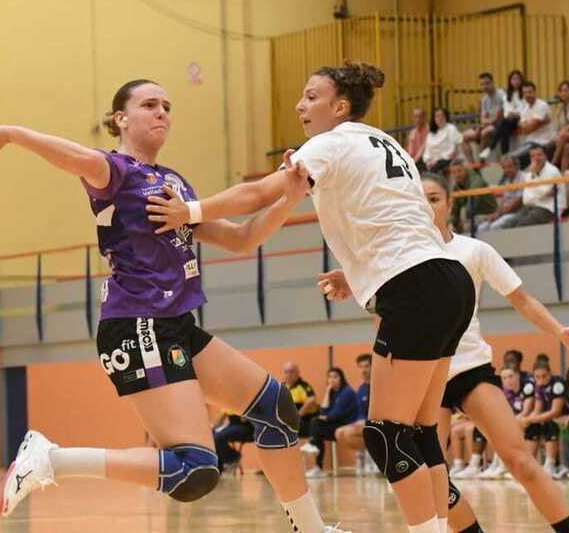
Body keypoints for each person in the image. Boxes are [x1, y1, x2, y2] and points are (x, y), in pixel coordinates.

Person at [0, 79, 348, 533]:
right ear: (121, 119)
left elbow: (241, 238)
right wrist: (8, 134)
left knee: (275, 407)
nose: (162, 112)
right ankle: (52, 459)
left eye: (167, 105)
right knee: (195, 470)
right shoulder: (115, 171)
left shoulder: (174, 183)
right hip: (137, 323)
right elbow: (70, 156)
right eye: (149, 104)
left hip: (175, 324)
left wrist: (290, 197)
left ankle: (311, 529)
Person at [150, 61, 477, 533]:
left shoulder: (330, 142)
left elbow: (259, 193)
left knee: (385, 434)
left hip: (414, 286)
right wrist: (357, 273)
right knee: (420, 431)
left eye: (311, 96)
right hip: (447, 279)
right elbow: (400, 224)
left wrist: (190, 210)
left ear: (339, 107)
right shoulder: (387, 144)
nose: (300, 105)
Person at [412, 172, 569, 533]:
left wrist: (558, 329)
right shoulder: (400, 255)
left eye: (434, 198)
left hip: (469, 369)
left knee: (520, 461)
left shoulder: (474, 250)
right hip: (424, 376)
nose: (427, 206)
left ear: (450, 203)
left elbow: (521, 298)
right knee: (430, 477)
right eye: (420, 199)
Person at [305, 368, 359, 479]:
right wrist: (327, 392)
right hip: (336, 425)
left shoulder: (347, 392)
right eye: (329, 377)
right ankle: (317, 464)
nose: (332, 379)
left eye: (335, 377)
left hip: (348, 425)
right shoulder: (332, 393)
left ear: (341, 378)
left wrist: (325, 417)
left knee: (316, 425)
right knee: (316, 428)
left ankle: (313, 449)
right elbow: (323, 412)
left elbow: (334, 414)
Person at [519, 360, 568, 478]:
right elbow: (538, 409)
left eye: (544, 376)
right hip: (550, 417)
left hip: (565, 417)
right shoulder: (538, 387)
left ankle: (550, 464)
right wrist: (526, 420)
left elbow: (555, 411)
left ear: (550, 374)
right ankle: (530, 463)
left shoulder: (557, 384)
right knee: (532, 425)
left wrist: (530, 419)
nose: (541, 379)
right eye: (537, 377)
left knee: (550, 423)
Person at [498, 144, 566, 227]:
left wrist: (535, 187)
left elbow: (543, 192)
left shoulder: (552, 171)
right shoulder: (530, 174)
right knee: (507, 225)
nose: (536, 158)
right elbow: (526, 198)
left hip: (549, 208)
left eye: (539, 155)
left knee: (521, 225)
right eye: (533, 156)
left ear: (545, 156)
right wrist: (539, 192)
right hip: (532, 206)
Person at [334, 354, 373, 474]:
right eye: (361, 367)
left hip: (378, 421)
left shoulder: (378, 386)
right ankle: (364, 454)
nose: (364, 370)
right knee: (339, 432)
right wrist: (359, 421)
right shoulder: (361, 389)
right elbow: (360, 412)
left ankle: (373, 456)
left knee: (350, 431)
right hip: (364, 422)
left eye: (367, 366)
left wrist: (364, 421)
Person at [476, 156, 526, 232]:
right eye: (504, 168)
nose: (507, 170)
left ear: (517, 166)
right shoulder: (507, 180)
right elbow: (504, 201)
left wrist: (499, 214)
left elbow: (518, 202)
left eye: (509, 167)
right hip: (505, 212)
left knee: (495, 226)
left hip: (518, 212)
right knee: (482, 227)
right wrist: (496, 213)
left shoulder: (524, 177)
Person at [510, 81, 555, 164]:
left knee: (513, 160)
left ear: (535, 92)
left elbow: (528, 128)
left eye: (530, 92)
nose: (527, 95)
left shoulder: (542, 105)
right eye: (525, 93)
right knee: (511, 159)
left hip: (543, 142)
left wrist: (529, 126)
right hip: (529, 142)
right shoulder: (525, 107)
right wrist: (541, 122)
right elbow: (524, 129)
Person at [483, 69, 524, 159]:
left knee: (503, 124)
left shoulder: (524, 93)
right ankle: (504, 155)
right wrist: (510, 114)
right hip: (509, 121)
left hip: (520, 119)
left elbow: (524, 109)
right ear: (510, 81)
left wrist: (515, 114)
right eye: (513, 79)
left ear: (521, 80)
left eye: (518, 79)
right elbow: (506, 109)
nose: (515, 81)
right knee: (505, 130)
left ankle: (491, 147)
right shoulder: (507, 94)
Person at [464, 73, 503, 163]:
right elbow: (482, 118)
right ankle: (472, 164)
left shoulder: (501, 95)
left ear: (493, 83)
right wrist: (483, 125)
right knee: (463, 137)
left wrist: (486, 122)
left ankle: (481, 160)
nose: (485, 86)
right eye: (482, 84)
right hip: (488, 125)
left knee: (485, 132)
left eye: (487, 83)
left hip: (499, 125)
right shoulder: (485, 99)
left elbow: (498, 117)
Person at [449, 159, 496, 233]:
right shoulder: (456, 187)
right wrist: (450, 223)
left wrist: (462, 220)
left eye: (459, 171)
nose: (457, 175)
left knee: (466, 224)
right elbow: (454, 210)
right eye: (453, 172)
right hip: (473, 216)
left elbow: (471, 206)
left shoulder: (476, 181)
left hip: (488, 214)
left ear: (466, 170)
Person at [284, 362, 319, 440]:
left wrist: (297, 415)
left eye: (291, 372)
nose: (289, 375)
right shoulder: (282, 387)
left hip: (304, 420)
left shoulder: (304, 386)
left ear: (298, 373)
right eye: (286, 372)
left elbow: (312, 400)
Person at [423, 107, 463, 174]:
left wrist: (436, 160)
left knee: (432, 171)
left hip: (446, 159)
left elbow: (452, 150)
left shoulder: (451, 128)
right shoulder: (430, 134)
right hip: (432, 161)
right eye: (437, 116)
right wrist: (427, 161)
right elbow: (427, 151)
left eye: (442, 115)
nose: (440, 118)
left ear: (446, 117)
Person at [551, 81, 569, 171]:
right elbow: (556, 127)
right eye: (561, 91)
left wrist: (563, 132)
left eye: (566, 90)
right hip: (564, 141)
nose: (563, 93)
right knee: (568, 147)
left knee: (563, 135)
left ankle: (553, 163)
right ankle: (563, 175)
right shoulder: (559, 108)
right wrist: (556, 136)